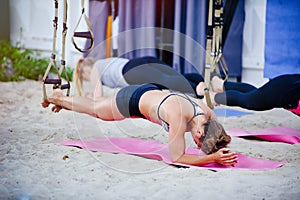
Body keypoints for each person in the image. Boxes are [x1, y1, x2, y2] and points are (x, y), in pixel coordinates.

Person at [41, 83, 238, 167]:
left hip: (152, 93)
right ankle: (57, 98)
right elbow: (177, 157)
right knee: (97, 110)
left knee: (99, 104)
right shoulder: (178, 117)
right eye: (198, 142)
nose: (196, 145)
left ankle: (64, 100)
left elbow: (218, 132)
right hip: (133, 101)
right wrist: (212, 158)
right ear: (200, 131)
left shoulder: (208, 114)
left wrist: (218, 148)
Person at [73, 56, 202, 99]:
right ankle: (200, 81)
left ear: (87, 68)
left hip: (130, 71)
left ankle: (198, 90)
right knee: (173, 76)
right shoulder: (104, 62)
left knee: (165, 81)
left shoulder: (95, 67)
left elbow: (98, 95)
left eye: (84, 75)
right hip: (137, 62)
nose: (87, 78)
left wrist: (90, 97)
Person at [198, 74, 300, 115]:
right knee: (250, 101)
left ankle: (221, 85)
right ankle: (213, 97)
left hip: (288, 84)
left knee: (255, 95)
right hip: (286, 89)